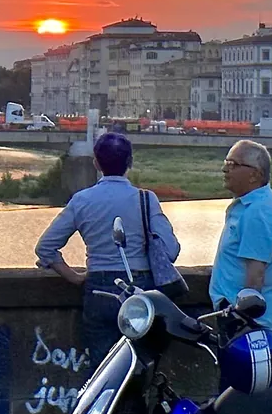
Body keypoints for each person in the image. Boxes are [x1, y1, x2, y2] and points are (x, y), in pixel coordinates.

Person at [35, 131, 182, 363]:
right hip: (140, 290)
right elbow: (171, 251)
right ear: (130, 162)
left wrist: (74, 277)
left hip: (98, 289)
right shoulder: (146, 199)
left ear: (96, 163)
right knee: (142, 363)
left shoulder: (82, 200)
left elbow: (45, 247)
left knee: (102, 369)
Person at [211, 139, 272, 341]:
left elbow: (255, 277)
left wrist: (241, 323)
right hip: (236, 317)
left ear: (255, 175)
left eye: (233, 164)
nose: (225, 169)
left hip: (247, 325)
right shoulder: (251, 205)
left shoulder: (258, 213)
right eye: (226, 163)